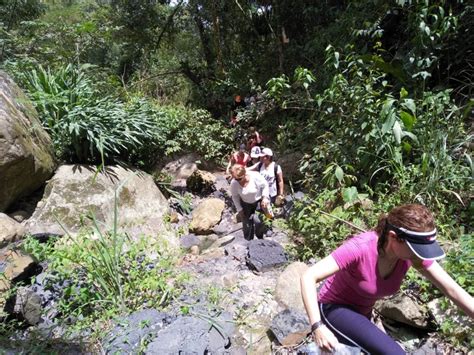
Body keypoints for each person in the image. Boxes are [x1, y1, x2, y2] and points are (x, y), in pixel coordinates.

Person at [300, 204, 474, 354]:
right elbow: (309, 276)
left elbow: (452, 289)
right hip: (333, 309)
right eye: (416, 249)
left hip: (362, 314)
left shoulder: (411, 256)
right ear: (393, 237)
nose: (419, 256)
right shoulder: (360, 248)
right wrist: (317, 326)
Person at [230, 164, 270, 240]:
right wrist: (239, 209)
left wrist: (265, 197)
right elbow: (235, 196)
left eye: (239, 179)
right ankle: (248, 241)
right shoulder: (234, 183)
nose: (237, 181)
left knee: (258, 221)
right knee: (246, 224)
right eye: (235, 179)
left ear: (245, 174)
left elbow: (265, 185)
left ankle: (261, 235)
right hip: (245, 203)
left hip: (258, 200)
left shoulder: (255, 176)